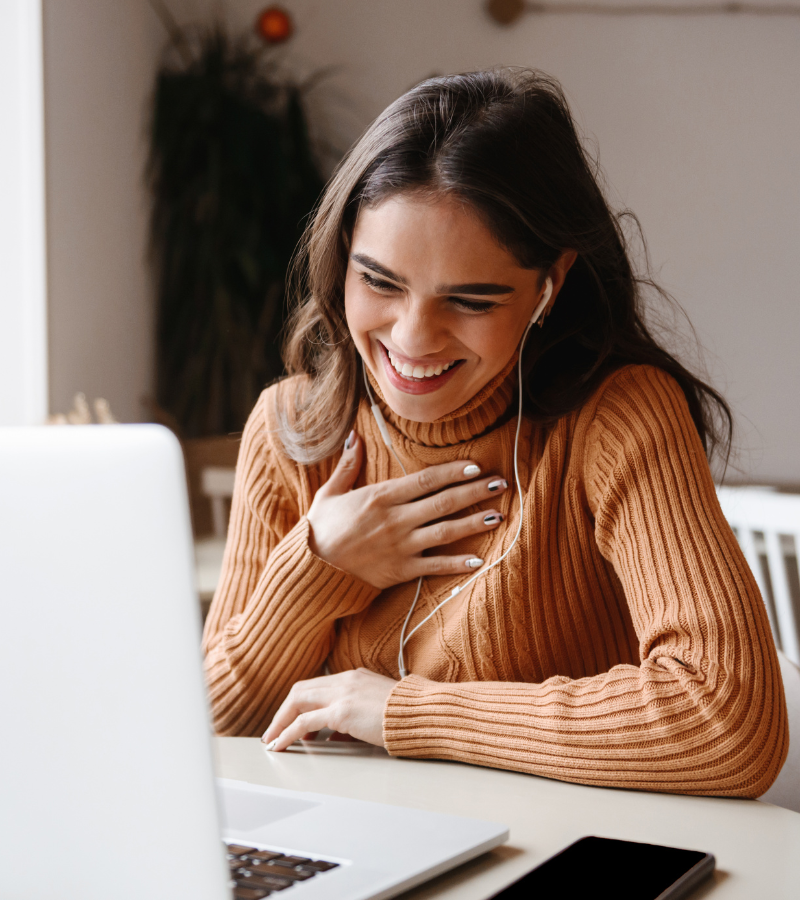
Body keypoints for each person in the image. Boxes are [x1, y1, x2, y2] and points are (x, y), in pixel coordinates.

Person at [202, 68, 787, 797]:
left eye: (471, 300)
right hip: (357, 844)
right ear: (341, 255)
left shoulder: (618, 416)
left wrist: (404, 713)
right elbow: (209, 729)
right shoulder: (293, 425)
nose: (412, 339)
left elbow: (727, 723)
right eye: (379, 281)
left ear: (549, 285)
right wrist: (321, 568)